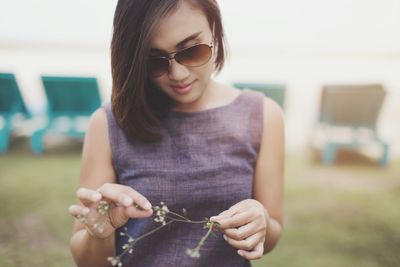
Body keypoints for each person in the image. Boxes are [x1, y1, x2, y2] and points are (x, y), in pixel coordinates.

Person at [68, 0, 284, 266]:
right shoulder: (109, 122)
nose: (178, 74)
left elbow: (272, 232)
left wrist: (260, 220)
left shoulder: (262, 115)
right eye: (154, 61)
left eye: (191, 51)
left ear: (215, 31)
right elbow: (87, 261)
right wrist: (99, 233)